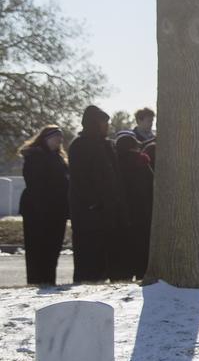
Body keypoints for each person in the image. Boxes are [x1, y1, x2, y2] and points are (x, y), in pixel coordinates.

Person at [68, 105, 126, 283]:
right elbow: (80, 179)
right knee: (88, 257)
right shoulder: (80, 146)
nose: (106, 126)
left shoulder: (107, 145)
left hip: (108, 212)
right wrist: (94, 202)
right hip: (89, 213)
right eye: (103, 122)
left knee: (106, 256)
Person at [18, 126, 69, 285]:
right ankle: (36, 281)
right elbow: (35, 184)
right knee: (37, 249)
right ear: (46, 138)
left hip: (57, 209)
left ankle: (49, 280)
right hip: (37, 210)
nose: (60, 140)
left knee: (53, 249)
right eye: (56, 137)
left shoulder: (58, 157)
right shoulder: (35, 156)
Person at [112, 132, 154, 280]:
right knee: (141, 249)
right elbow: (151, 184)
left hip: (121, 214)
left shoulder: (113, 163)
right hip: (141, 212)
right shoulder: (141, 162)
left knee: (122, 250)